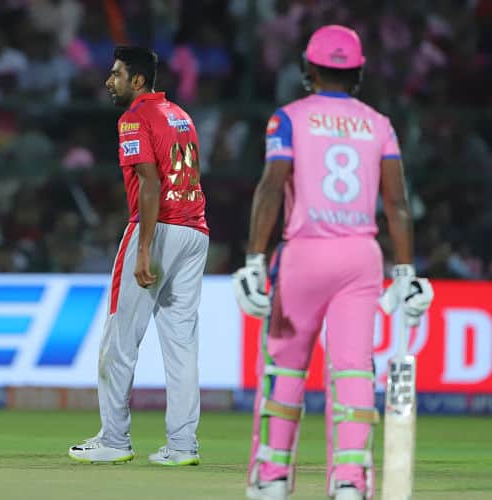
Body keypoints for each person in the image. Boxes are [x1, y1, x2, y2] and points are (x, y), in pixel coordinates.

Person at [232, 26, 434, 500]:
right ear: (358, 71)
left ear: (309, 68)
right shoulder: (379, 123)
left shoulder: (288, 119)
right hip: (360, 259)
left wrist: (253, 259)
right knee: (353, 371)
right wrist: (404, 272)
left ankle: (273, 477)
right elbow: (398, 204)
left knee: (285, 367)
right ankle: (349, 481)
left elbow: (269, 187)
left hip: (303, 255)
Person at [68, 46, 209, 466]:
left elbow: (149, 183)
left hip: (157, 228)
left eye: (116, 74)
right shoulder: (180, 114)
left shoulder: (133, 118)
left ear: (137, 81)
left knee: (119, 339)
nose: (108, 81)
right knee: (182, 345)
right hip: (195, 229)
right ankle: (183, 446)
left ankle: (114, 439)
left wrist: (144, 248)